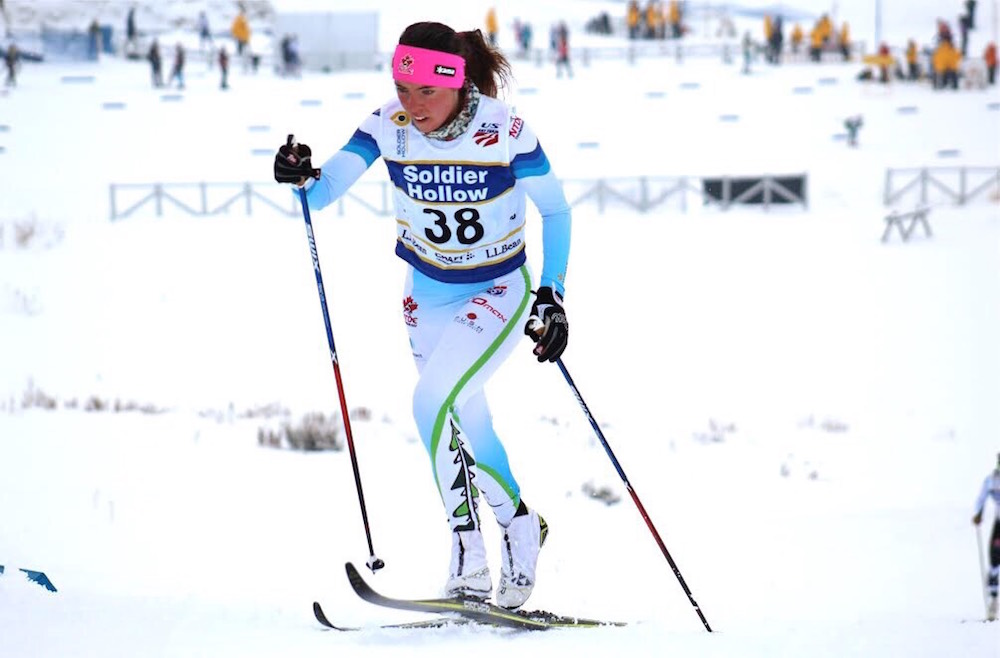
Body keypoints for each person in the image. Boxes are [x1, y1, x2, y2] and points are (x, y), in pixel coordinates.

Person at [272, 21, 571, 610]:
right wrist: (298, 175)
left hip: (499, 290)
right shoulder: (389, 124)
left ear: (457, 82)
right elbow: (323, 188)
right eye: (402, 89)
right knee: (464, 413)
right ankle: (518, 523)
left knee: (429, 402)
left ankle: (467, 550)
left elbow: (557, 212)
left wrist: (552, 294)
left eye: (425, 92)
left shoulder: (504, 130)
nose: (411, 104)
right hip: (425, 295)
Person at [972, 454, 1000, 621]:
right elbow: (981, 499)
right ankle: (994, 601)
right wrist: (978, 514)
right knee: (994, 561)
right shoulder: (991, 481)